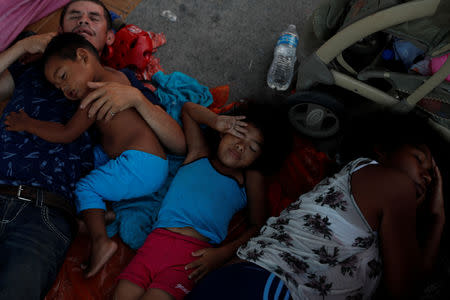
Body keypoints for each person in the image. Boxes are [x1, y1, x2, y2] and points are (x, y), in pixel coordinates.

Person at [0, 0, 184, 298]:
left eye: (94, 18)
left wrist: (137, 99)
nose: (84, 21)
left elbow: (178, 144)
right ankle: (93, 218)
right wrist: (23, 48)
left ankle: (94, 227)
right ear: (59, 32)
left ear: (108, 38)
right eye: (74, 16)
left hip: (45, 213)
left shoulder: (122, 84)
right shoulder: (33, 68)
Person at [185, 111, 446, 300]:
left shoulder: (357, 192)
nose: (426, 175)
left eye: (432, 178)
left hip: (243, 279)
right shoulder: (393, 185)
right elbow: (407, 290)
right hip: (268, 286)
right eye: (419, 159)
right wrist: (438, 220)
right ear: (383, 151)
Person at [112, 101, 291, 300]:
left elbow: (258, 225)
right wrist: (215, 120)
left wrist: (222, 254)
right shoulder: (198, 153)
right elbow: (188, 110)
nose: (241, 146)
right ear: (223, 131)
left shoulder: (248, 178)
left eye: (253, 148)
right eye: (239, 133)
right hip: (153, 245)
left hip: (192, 258)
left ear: (259, 159)